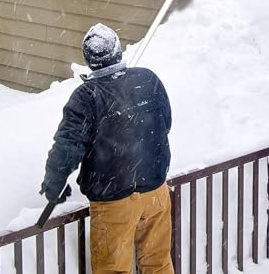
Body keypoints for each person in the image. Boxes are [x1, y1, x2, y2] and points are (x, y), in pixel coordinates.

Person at [41, 23, 173, 274]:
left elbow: (67, 148)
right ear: (118, 51)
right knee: (158, 265)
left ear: (89, 60)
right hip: (156, 192)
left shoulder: (86, 96)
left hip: (115, 202)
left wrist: (54, 184)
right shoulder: (148, 79)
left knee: (113, 270)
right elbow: (165, 123)